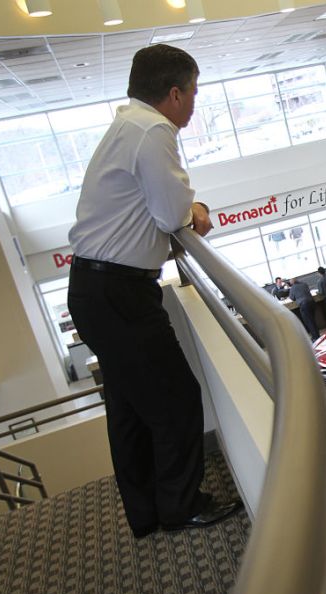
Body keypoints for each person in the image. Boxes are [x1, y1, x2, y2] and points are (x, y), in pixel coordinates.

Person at [66, 44, 240, 538]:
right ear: (173, 93)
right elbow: (173, 216)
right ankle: (180, 507)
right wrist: (197, 209)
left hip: (97, 288)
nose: (194, 104)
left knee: (129, 408)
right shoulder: (154, 131)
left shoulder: (129, 124)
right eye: (193, 93)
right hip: (118, 292)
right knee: (176, 398)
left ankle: (147, 514)